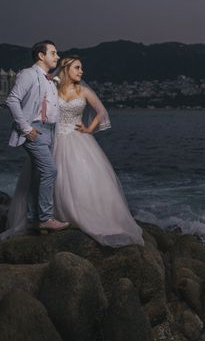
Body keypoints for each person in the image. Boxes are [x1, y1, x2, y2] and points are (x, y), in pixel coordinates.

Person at [2, 56, 144, 247]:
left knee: (81, 176)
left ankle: (79, 215)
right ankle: (46, 217)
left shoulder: (83, 90)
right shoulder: (52, 88)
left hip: (79, 139)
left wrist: (89, 128)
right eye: (77, 67)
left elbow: (101, 112)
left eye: (82, 68)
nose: (81, 71)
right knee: (47, 175)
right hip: (53, 138)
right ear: (66, 68)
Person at [4, 40, 69, 232]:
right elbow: (12, 99)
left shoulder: (48, 78)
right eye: (53, 53)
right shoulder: (28, 74)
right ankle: (46, 218)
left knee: (38, 174)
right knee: (50, 170)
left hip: (49, 130)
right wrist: (26, 128)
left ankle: (34, 218)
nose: (57, 56)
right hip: (35, 129)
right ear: (41, 56)